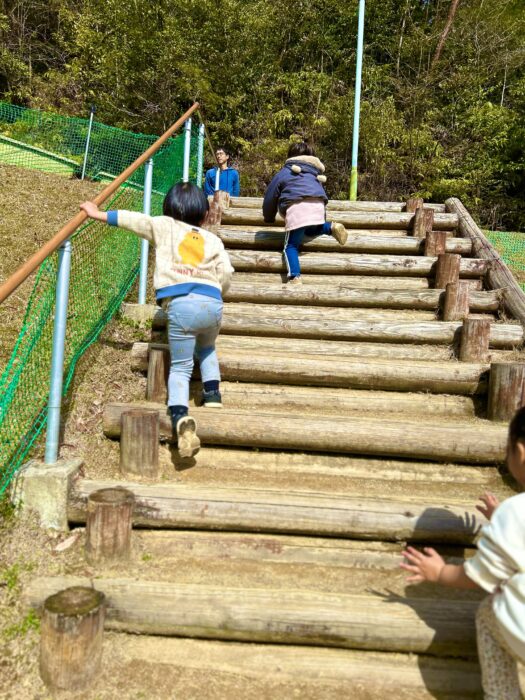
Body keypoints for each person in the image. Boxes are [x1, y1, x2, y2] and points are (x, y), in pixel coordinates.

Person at [80, 183, 234, 459]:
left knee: (181, 366)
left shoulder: (164, 225)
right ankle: (213, 396)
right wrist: (217, 291)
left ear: (169, 208)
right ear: (203, 213)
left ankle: (179, 416)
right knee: (208, 348)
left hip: (181, 303)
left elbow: (134, 220)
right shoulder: (213, 240)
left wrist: (98, 213)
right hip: (212, 303)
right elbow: (226, 273)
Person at [401, 407, 525, 699]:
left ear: (520, 452)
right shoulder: (512, 515)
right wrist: (502, 524)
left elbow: (479, 576)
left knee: (487, 614)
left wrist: (441, 572)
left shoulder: (515, 512)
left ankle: (500, 694)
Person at [262, 142, 348, 285]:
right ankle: (330, 227)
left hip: (297, 208)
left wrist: (269, 217)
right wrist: (321, 220)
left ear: (290, 156)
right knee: (311, 229)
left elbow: (271, 196)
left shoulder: (286, 171)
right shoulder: (314, 174)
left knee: (290, 246)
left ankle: (294, 277)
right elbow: (320, 195)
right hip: (318, 208)